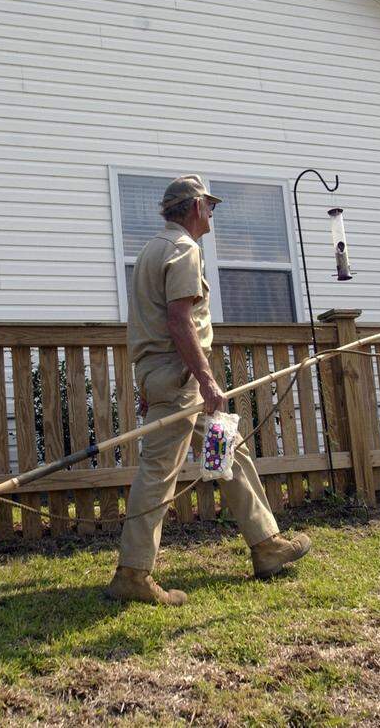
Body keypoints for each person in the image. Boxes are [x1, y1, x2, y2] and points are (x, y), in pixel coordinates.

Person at [106, 174, 312, 606]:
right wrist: (206, 379)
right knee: (159, 472)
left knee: (228, 448)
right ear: (195, 207)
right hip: (181, 380)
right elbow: (179, 320)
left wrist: (150, 380)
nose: (214, 212)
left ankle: (266, 545)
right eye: (210, 205)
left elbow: (151, 320)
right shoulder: (183, 249)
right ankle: (132, 572)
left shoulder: (150, 251)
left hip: (165, 376)